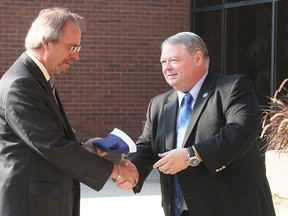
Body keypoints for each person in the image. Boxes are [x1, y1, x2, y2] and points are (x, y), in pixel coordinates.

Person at [119, 32, 276, 216]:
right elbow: (147, 146)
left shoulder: (232, 87)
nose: (166, 67)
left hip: (231, 207)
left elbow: (240, 132)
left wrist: (191, 155)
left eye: (174, 60)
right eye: (163, 62)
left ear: (198, 58)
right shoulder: (159, 104)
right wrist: (132, 170)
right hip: (179, 210)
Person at [0, 7, 138, 216]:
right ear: (46, 41)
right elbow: (53, 147)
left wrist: (85, 148)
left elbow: (49, 140)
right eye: (71, 47)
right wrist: (116, 170)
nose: (77, 56)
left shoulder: (36, 78)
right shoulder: (21, 84)